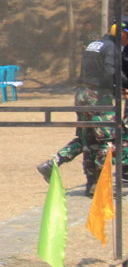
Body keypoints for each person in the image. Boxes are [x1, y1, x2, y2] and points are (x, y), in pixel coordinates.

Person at [37, 22, 127, 196]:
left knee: (88, 140)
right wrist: (122, 85)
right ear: (121, 33)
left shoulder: (96, 44)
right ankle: (101, 186)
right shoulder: (111, 48)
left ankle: (56, 164)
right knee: (108, 140)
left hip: (83, 94)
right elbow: (111, 73)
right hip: (98, 97)